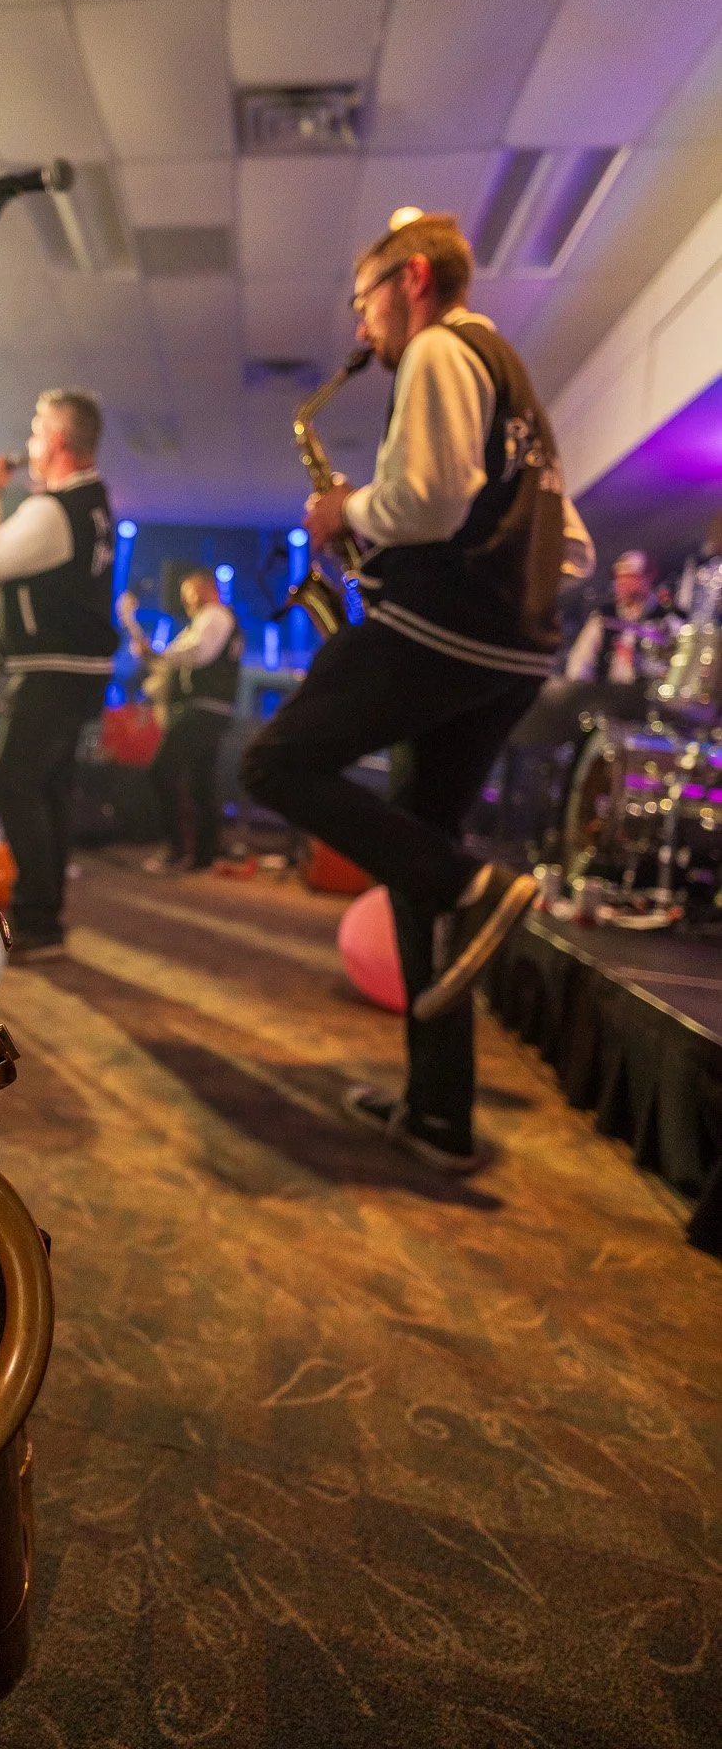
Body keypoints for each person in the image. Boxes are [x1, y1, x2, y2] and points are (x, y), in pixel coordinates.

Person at [242, 210, 594, 1174]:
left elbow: (430, 502)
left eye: (364, 302)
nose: (361, 328)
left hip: (442, 633)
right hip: (509, 655)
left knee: (272, 764)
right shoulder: (512, 382)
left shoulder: (441, 347)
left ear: (412, 280)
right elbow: (569, 545)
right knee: (415, 843)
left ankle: (472, 889)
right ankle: (439, 1115)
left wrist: (343, 509)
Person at [0, 390, 117, 958]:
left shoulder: (54, 509)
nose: (27, 443)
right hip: (79, 670)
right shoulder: (92, 503)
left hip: (53, 669)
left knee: (14, 782)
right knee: (49, 788)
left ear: (55, 440)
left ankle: (38, 919)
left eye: (35, 431)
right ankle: (44, 914)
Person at [129, 569, 242, 873]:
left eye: (189, 592)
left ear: (206, 589)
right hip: (211, 709)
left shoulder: (214, 616)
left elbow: (198, 652)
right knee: (201, 781)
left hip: (203, 709)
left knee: (162, 770)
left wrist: (157, 653)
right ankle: (203, 855)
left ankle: (176, 849)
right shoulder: (210, 619)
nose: (184, 600)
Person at [563, 550, 678, 689]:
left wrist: (638, 662)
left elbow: (673, 670)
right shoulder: (604, 616)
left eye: (630, 577)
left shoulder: (668, 619)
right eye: (618, 577)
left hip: (646, 695)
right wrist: (580, 691)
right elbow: (580, 662)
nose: (621, 583)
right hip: (605, 695)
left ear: (648, 578)